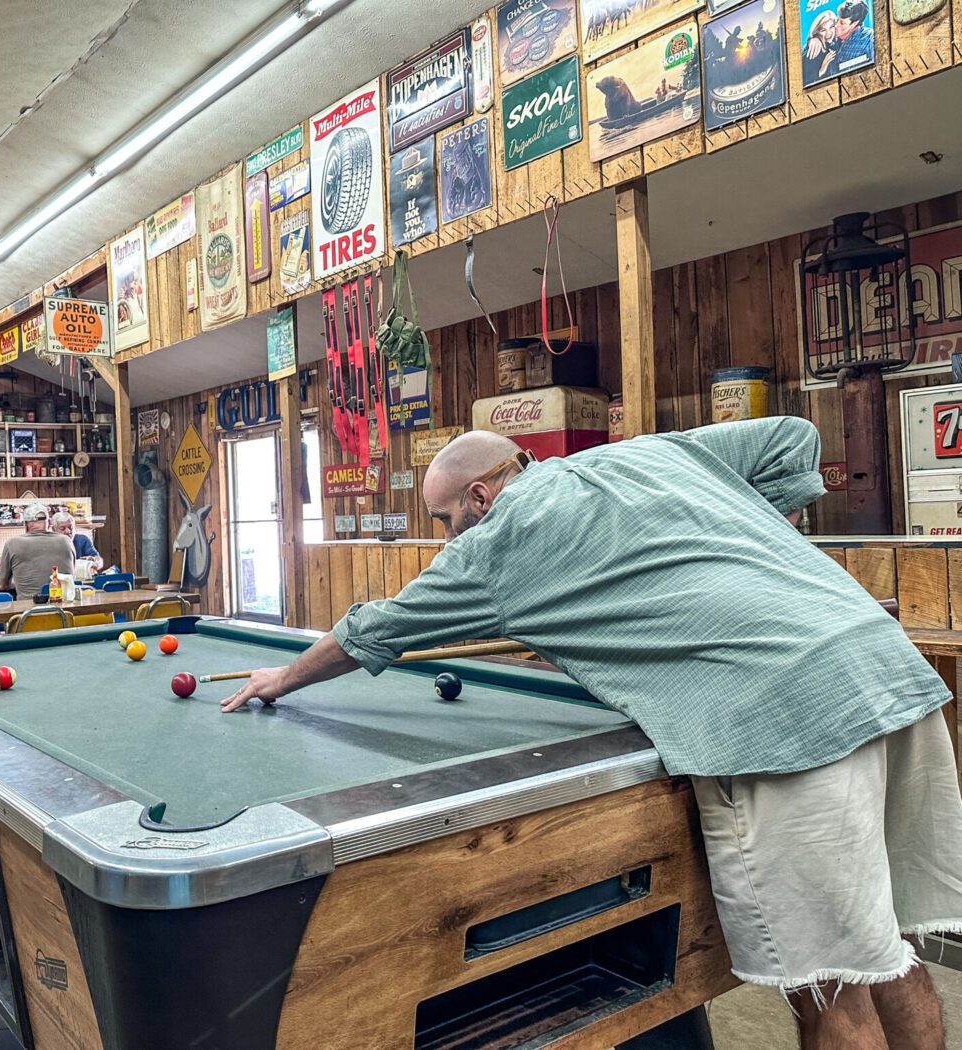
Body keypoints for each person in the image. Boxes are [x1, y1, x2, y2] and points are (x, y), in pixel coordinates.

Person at [222, 419, 962, 1050]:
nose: (449, 540)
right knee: (885, 943)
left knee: (829, 983)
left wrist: (280, 679)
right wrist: (730, 532)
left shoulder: (495, 545)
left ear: (481, 496)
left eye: (446, 522)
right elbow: (791, 439)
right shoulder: (645, 454)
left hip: (784, 716)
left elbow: (373, 629)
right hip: (888, 672)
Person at [0, 503, 75, 599]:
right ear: (49, 523)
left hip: (28, 611)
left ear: (25, 524)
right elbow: (72, 575)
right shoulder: (66, 541)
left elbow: (2, 584)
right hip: (65, 610)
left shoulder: (12, 543)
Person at [833, 0, 874, 71]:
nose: (836, 26)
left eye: (842, 23)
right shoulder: (830, 39)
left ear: (855, 23)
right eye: (837, 20)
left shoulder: (869, 38)